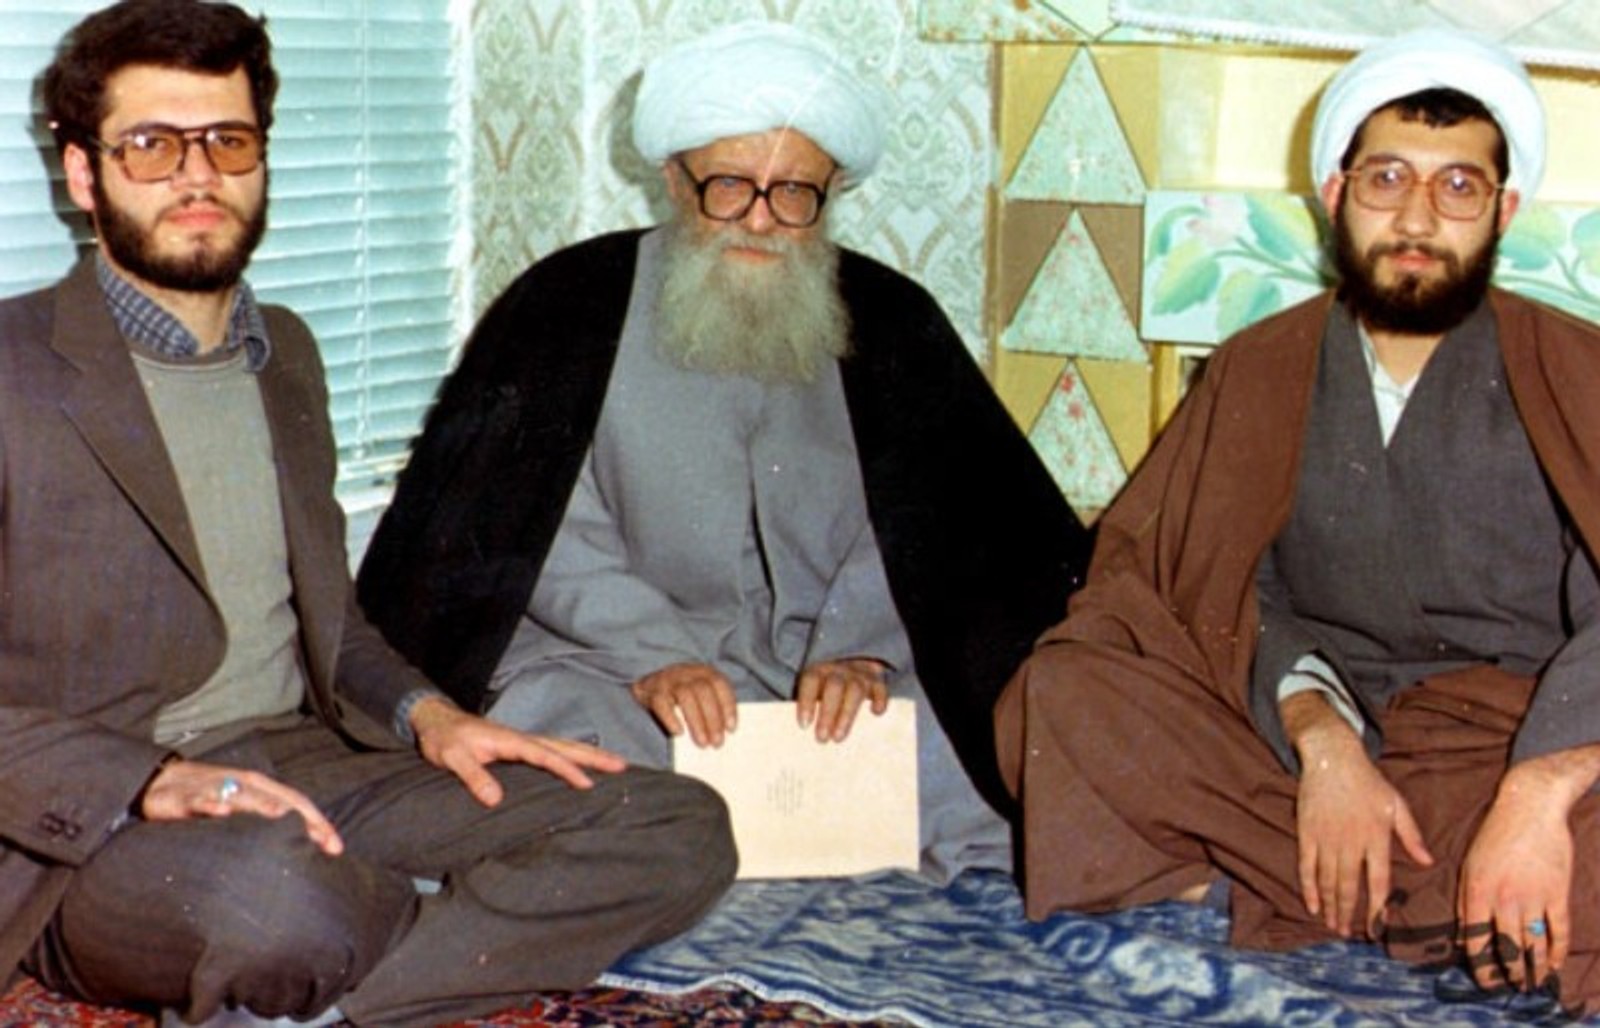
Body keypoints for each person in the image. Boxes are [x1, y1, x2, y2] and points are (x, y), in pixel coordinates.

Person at [1, 3, 736, 1026]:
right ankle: (381, 934)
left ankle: (340, 997)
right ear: (84, 175)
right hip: (94, 825)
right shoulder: (12, 367)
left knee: (674, 820)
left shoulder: (286, 354)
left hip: (301, 765)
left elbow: (328, 620)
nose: (197, 176)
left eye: (227, 141)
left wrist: (432, 718)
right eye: (152, 145)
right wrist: (151, 778)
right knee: (276, 903)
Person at [357, 20, 1091, 881]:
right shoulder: (571, 305)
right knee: (555, 732)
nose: (761, 219)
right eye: (730, 186)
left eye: (795, 193)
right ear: (675, 179)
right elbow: (532, 528)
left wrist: (861, 651)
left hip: (833, 682)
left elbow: (947, 524)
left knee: (991, 750)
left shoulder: (891, 317)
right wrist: (652, 656)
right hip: (619, 666)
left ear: (832, 192)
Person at [996, 25, 1600, 1019]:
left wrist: (1537, 793)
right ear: (1334, 193)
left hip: (1508, 740)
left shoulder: (1575, 367)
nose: (1417, 216)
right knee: (1067, 689)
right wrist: (1323, 740)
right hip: (1309, 737)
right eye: (1387, 179)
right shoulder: (1260, 364)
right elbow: (1199, 585)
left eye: (1457, 187)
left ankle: (1316, 884)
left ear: (1504, 210)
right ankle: (1423, 898)